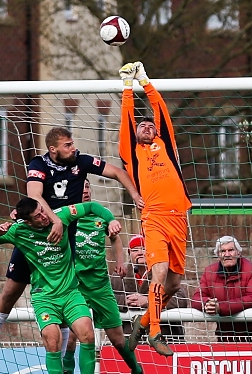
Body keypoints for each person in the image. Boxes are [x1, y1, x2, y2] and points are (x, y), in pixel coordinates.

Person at [0, 126, 143, 373]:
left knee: (66, 304)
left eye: (72, 144)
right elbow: (34, 195)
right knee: (10, 292)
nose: (73, 148)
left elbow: (116, 172)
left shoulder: (80, 162)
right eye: (67, 145)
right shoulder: (38, 165)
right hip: (36, 234)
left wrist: (135, 196)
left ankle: (63, 366)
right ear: (53, 149)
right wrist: (54, 220)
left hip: (63, 239)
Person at [0, 197, 122, 374]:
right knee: (52, 340)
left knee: (87, 333)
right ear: (27, 221)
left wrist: (111, 220)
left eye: (42, 210)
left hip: (71, 293)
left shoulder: (60, 216)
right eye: (37, 216)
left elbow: (92, 206)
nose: (44, 216)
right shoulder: (18, 231)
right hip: (45, 298)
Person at [118, 62, 191, 356]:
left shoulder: (166, 145)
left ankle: (144, 321)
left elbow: (160, 110)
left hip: (179, 219)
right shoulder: (131, 153)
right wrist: (127, 87)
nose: (147, 127)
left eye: (150, 125)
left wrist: (147, 82)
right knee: (158, 272)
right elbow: (126, 120)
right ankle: (155, 332)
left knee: (173, 283)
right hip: (154, 219)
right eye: (141, 125)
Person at [62, 180, 142, 374]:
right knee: (73, 337)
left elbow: (115, 239)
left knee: (118, 339)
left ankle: (137, 370)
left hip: (100, 286)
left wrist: (120, 262)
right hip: (76, 287)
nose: (86, 190)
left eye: (88, 186)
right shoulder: (66, 216)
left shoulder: (101, 215)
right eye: (82, 187)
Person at [191, 236, 252, 342]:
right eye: (222, 251)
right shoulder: (209, 272)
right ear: (218, 255)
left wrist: (220, 307)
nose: (227, 254)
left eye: (231, 250)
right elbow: (196, 298)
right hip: (227, 337)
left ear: (238, 253)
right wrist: (208, 303)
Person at [111, 235, 188, 343]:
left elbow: (181, 299)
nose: (140, 253)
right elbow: (107, 298)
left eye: (144, 249)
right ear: (129, 253)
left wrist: (148, 300)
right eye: (135, 250)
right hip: (129, 340)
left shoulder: (165, 271)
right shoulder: (118, 275)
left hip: (166, 338)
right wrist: (124, 301)